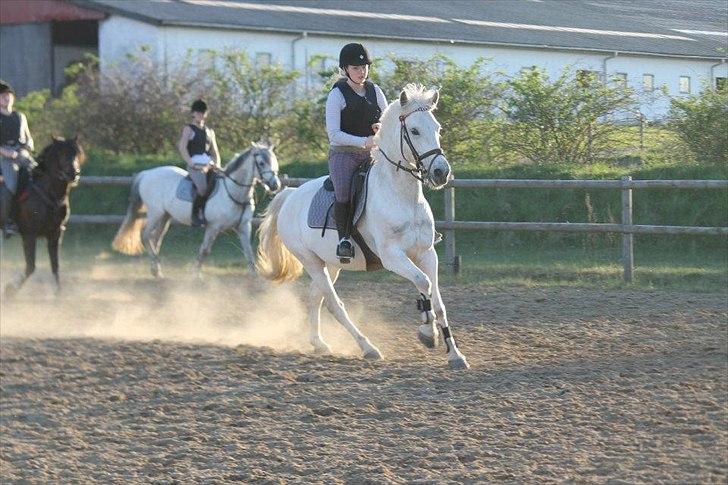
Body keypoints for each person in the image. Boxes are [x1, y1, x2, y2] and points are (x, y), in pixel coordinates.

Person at [325, 43, 388, 261]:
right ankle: (344, 239)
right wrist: (365, 141)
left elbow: (386, 120)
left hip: (374, 154)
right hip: (344, 154)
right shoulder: (337, 95)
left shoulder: (375, 91)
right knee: (343, 192)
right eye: (356, 68)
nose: (361, 72)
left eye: (364, 67)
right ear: (345, 69)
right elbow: (334, 134)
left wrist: (381, 127)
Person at [177, 99, 220, 227]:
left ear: (205, 114)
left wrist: (217, 164)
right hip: (195, 164)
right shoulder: (188, 129)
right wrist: (190, 163)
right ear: (193, 114)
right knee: (202, 188)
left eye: (202, 112)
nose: (200, 115)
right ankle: (195, 215)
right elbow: (182, 147)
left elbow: (215, 151)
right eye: (198, 112)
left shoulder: (210, 132)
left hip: (208, 163)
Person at [0, 80, 35, 237]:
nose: (6, 98)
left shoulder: (20, 117)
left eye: (8, 95)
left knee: (41, 175)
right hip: (5, 157)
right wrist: (8, 153)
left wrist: (26, 148)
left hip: (22, 155)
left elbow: (29, 139)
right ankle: (8, 222)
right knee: (11, 186)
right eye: (3, 96)